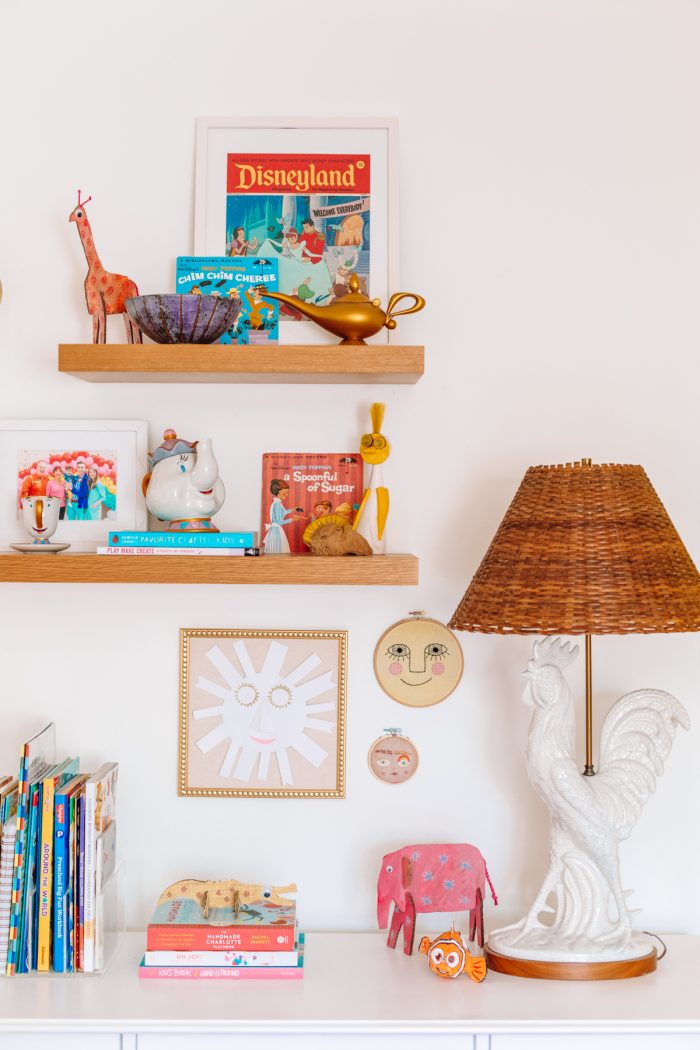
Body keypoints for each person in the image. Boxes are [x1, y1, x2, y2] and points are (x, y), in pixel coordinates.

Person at [263, 480, 303, 554]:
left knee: (278, 549)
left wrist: (292, 509)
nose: (286, 494)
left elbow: (282, 512)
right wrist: (293, 519)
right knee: (278, 549)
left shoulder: (276, 503)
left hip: (275, 530)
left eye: (287, 493)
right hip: (276, 531)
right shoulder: (277, 504)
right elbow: (280, 522)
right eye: (285, 493)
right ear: (278, 492)